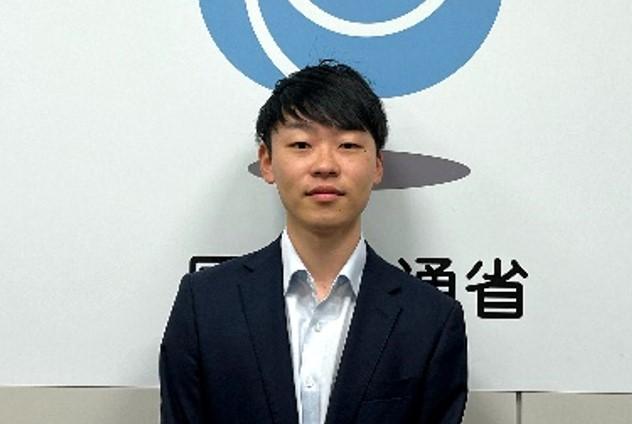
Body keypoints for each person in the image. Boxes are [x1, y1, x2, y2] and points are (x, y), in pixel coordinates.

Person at [159, 60, 468, 424]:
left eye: (348, 145)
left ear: (377, 166)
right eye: (302, 144)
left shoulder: (431, 320)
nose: (325, 165)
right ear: (267, 162)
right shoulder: (205, 304)